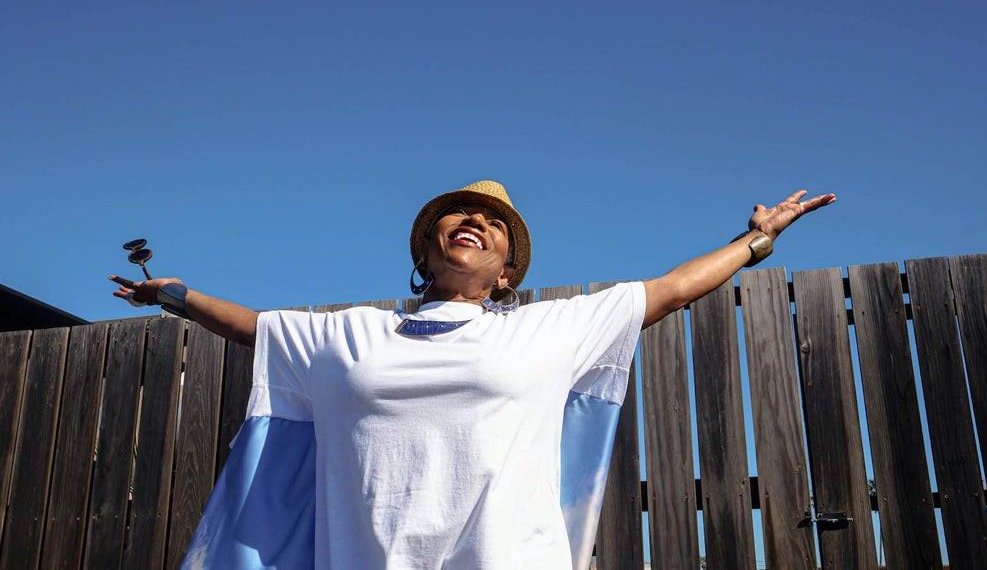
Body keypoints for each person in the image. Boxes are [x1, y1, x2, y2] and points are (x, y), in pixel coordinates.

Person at [109, 180, 834, 570]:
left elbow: (672, 287)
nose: (473, 220)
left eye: (493, 223)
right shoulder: (350, 335)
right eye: (459, 214)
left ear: (507, 272)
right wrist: (168, 294)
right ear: (425, 255)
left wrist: (756, 239)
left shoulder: (546, 330)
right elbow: (246, 324)